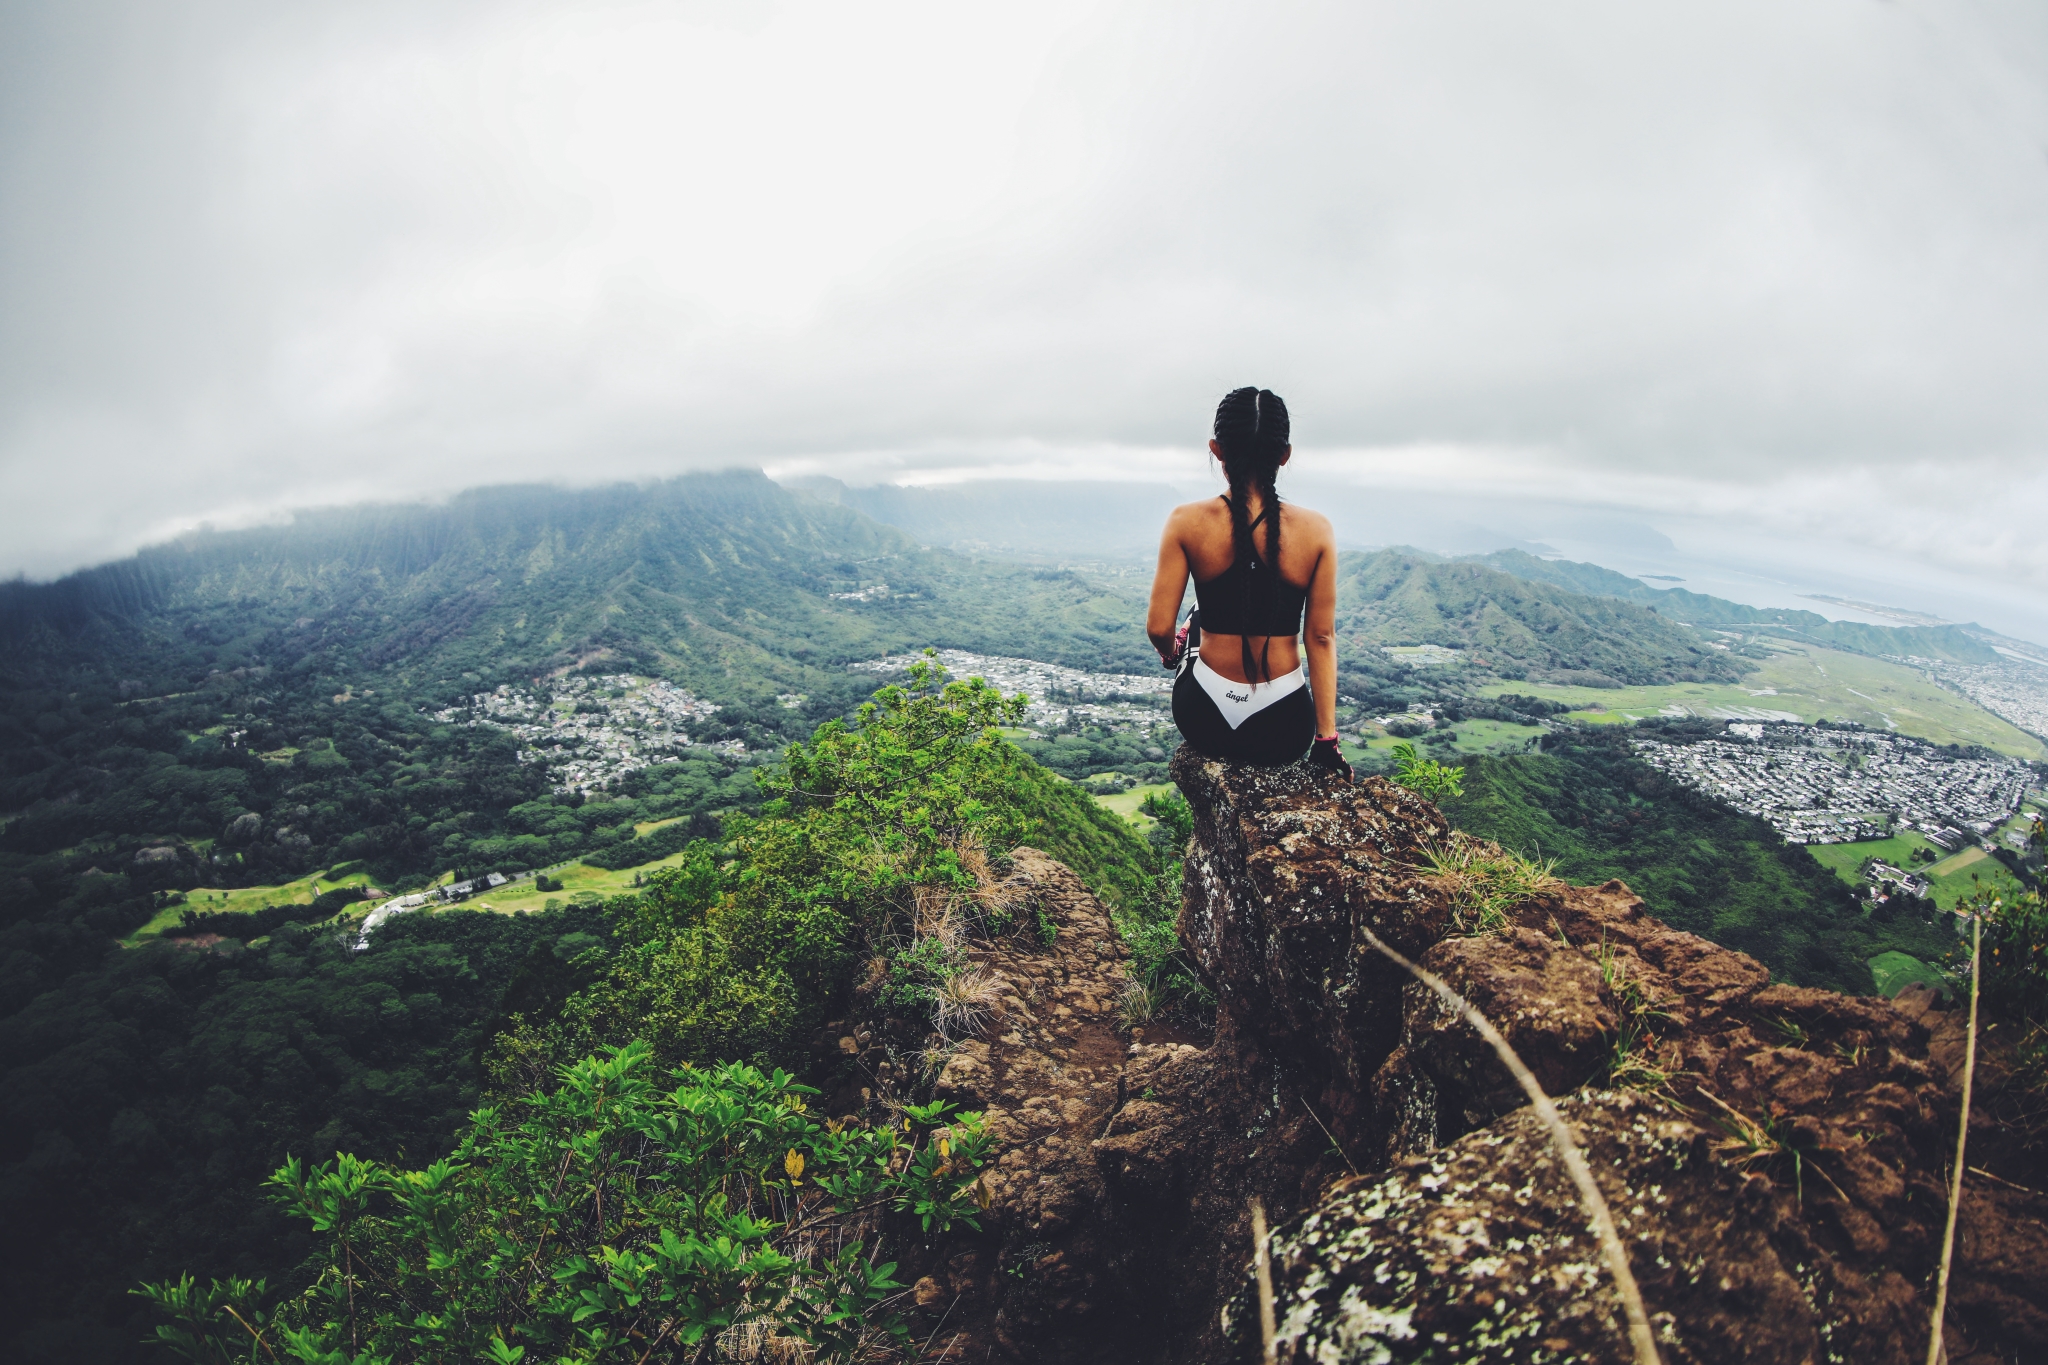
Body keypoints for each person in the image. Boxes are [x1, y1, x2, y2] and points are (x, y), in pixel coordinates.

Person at [1147, 386, 1350, 779]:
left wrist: (1172, 654)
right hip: (1281, 729)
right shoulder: (1317, 531)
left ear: (1216, 449)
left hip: (1203, 717)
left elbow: (1158, 628)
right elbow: (1321, 638)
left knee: (1197, 612)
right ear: (1284, 455)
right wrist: (1325, 742)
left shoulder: (1186, 522)